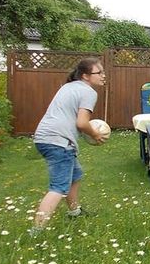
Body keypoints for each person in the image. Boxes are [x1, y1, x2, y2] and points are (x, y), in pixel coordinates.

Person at [31, 58, 107, 233]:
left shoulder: (69, 87)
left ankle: (74, 212)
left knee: (75, 174)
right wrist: (95, 134)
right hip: (58, 141)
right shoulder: (88, 92)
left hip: (45, 137)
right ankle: (36, 231)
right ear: (86, 76)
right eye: (99, 72)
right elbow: (82, 123)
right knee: (58, 187)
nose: (103, 75)